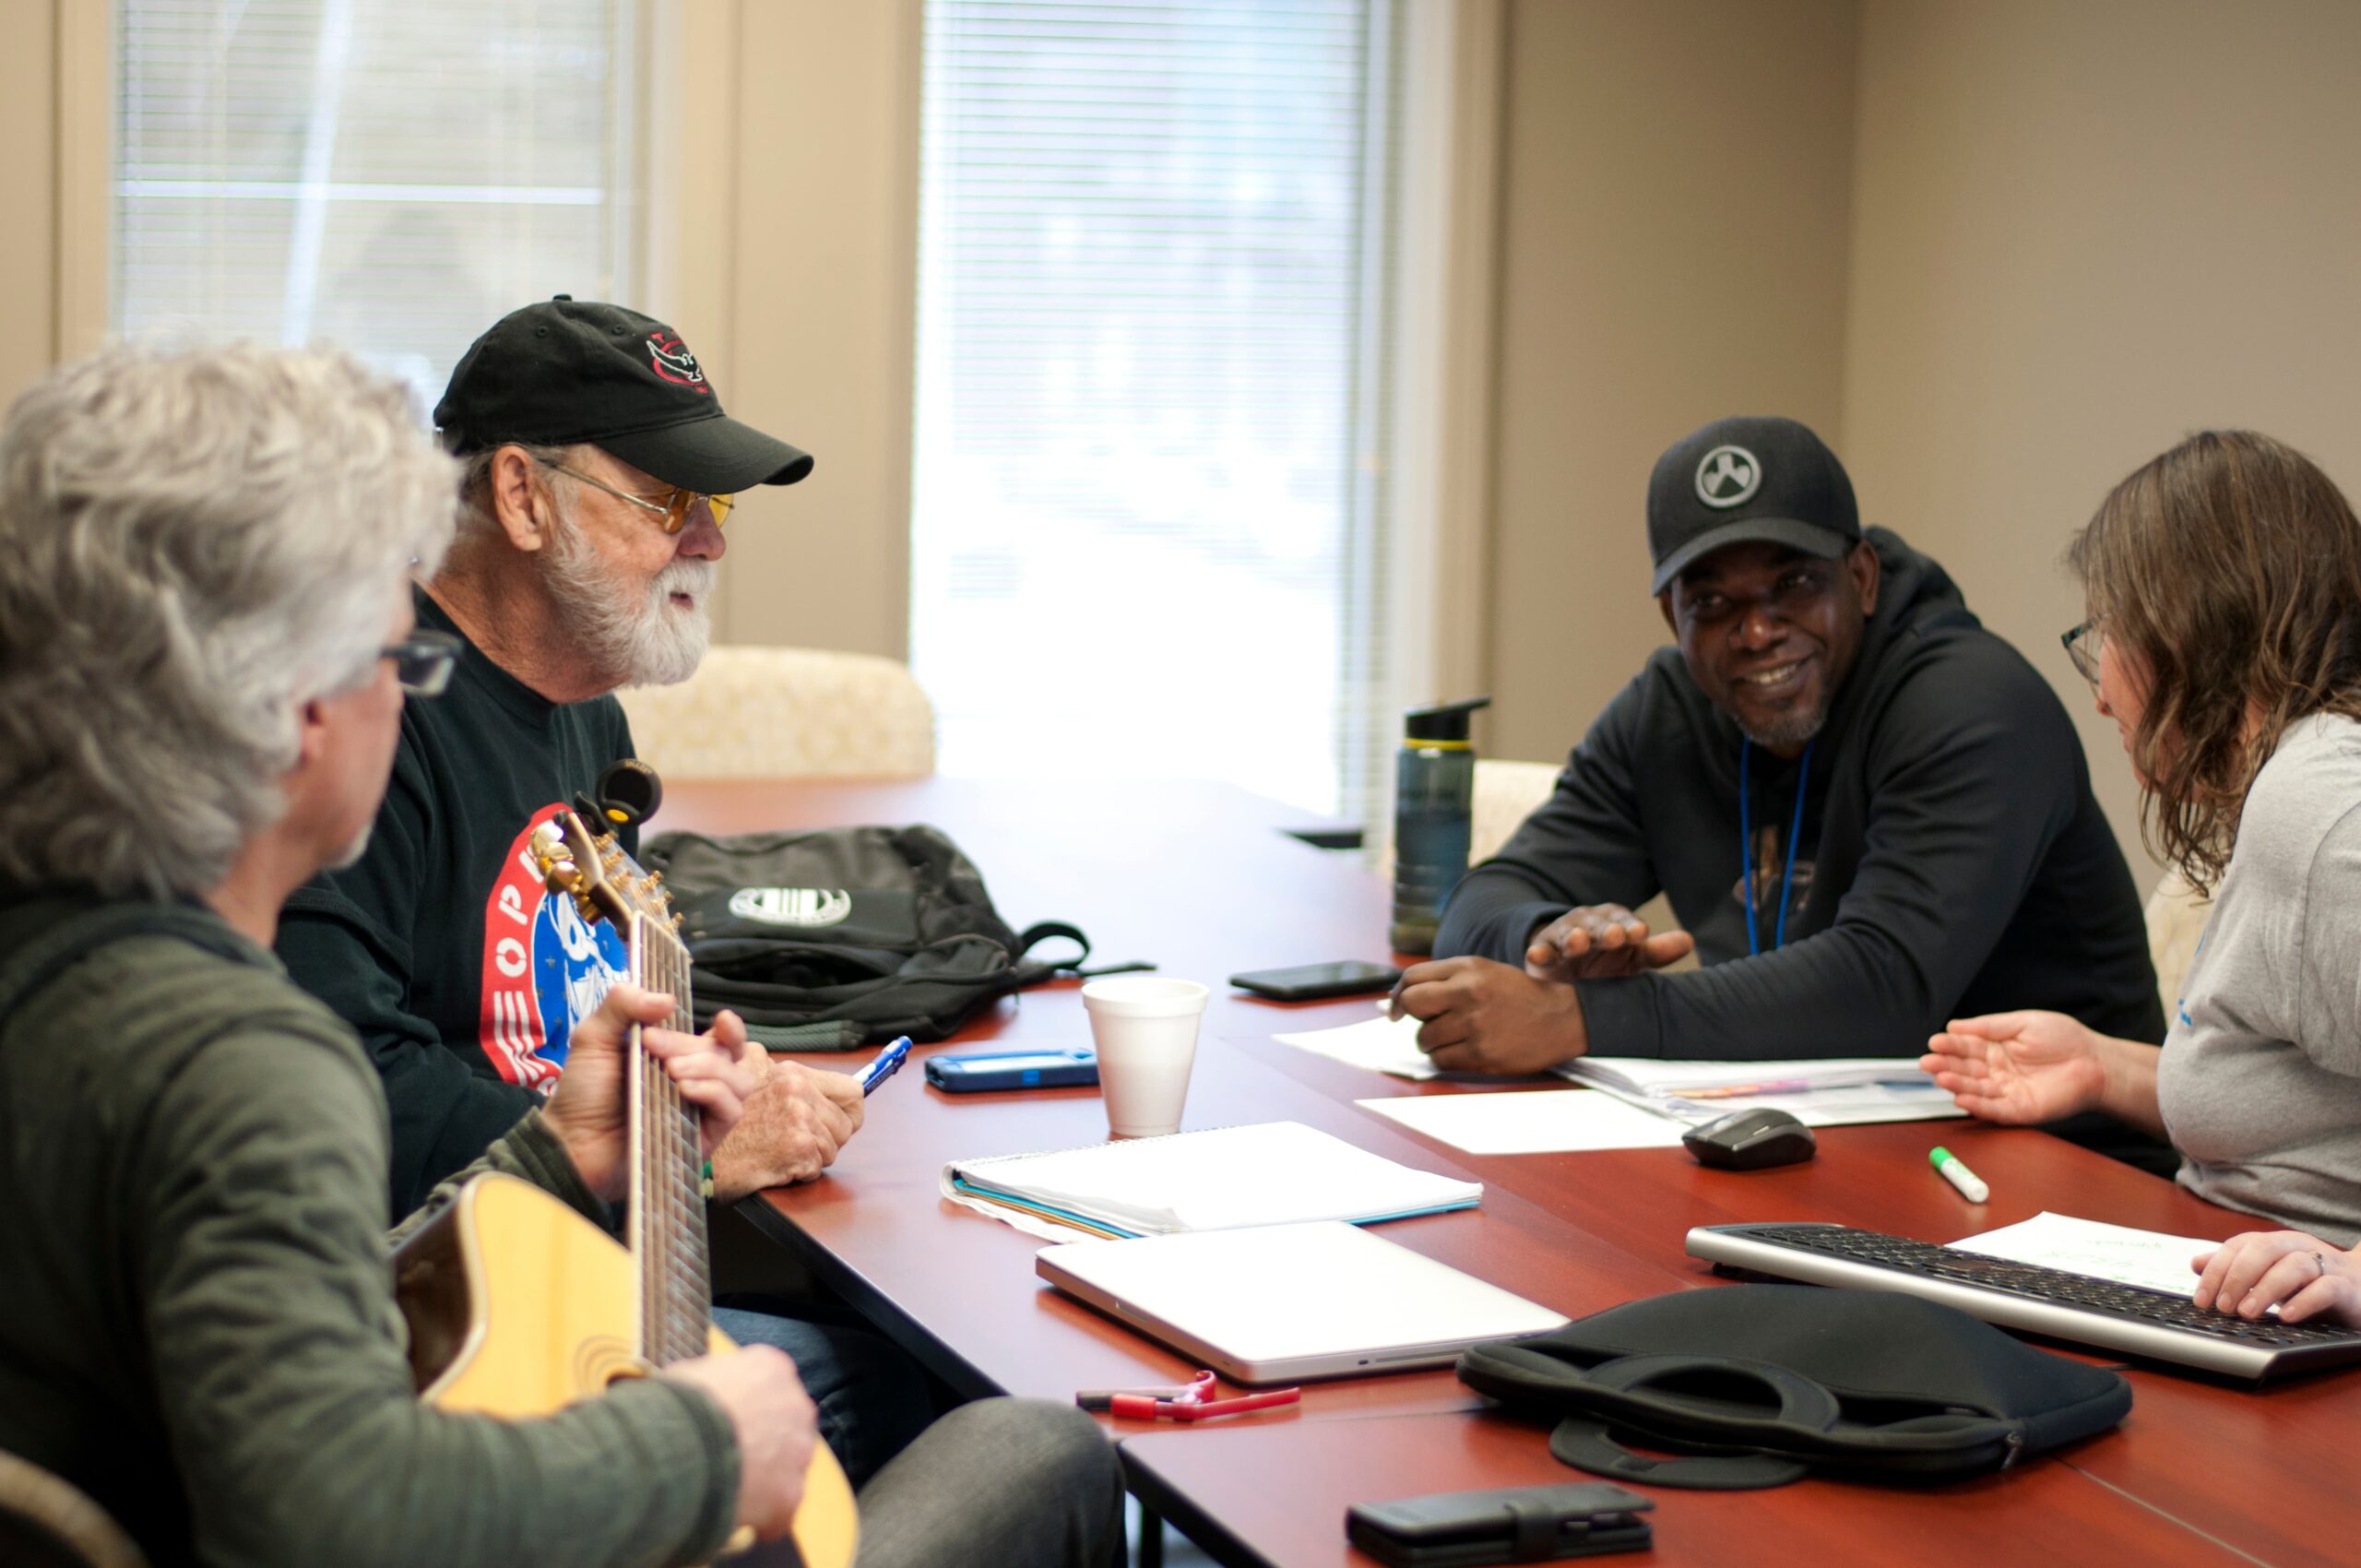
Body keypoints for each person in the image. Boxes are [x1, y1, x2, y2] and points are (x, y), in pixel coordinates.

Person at [0, 339, 1121, 1568]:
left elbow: (276, 1318)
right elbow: (333, 1513)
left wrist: (551, 1154)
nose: (412, 689)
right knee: (1039, 1449)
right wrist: (696, 1448)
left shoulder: (57, 965)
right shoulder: (243, 1063)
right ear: (300, 713)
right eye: (398, 659)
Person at [273, 297, 931, 1479]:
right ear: (521, 496)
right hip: (437, 1321)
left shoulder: (589, 716)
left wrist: (711, 1076)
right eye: (668, 501)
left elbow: (558, 1006)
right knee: (960, 1397)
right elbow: (342, 1082)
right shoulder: (377, 715)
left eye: (713, 503)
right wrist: (664, 1152)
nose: (712, 543)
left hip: (575, 1243)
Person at [1394, 415, 2162, 1085]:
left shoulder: (1971, 703)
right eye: (1714, 602)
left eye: (1792, 584)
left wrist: (1578, 1018)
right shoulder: (1667, 710)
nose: (1757, 631)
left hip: (2064, 1168)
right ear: (1673, 615)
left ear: (1860, 578)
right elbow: (1482, 899)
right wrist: (1546, 945)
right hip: (1816, 1125)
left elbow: (1882, 990)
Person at [1922, 430, 2361, 1330]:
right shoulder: (2293, 781)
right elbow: (2306, 1106)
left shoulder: (2319, 803)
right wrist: (2101, 1064)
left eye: (2103, 636)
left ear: (2184, 628)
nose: (2098, 695)